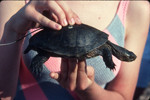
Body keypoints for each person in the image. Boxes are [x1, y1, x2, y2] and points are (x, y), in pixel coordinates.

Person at [0, 0, 149, 100]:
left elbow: (123, 96)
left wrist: (87, 89)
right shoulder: (17, 3)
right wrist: (12, 30)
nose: (128, 58)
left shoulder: (135, 7)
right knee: (44, 52)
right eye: (127, 57)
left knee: (46, 51)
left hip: (52, 47)